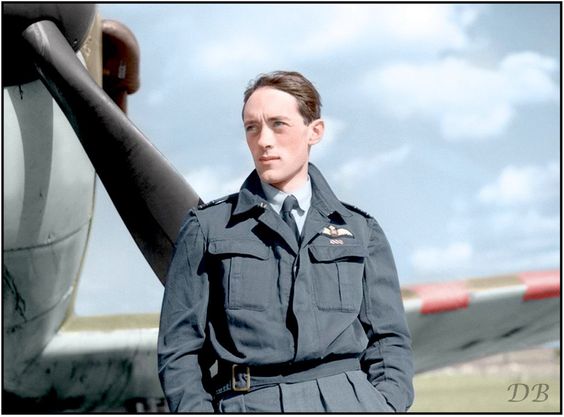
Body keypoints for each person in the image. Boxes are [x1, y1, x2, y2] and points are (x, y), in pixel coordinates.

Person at [158, 71, 414, 413]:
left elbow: (389, 340)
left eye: (278, 124)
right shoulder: (206, 229)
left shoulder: (361, 230)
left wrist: (385, 405)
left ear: (315, 132)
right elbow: (179, 351)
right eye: (252, 127)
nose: (264, 140)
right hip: (249, 403)